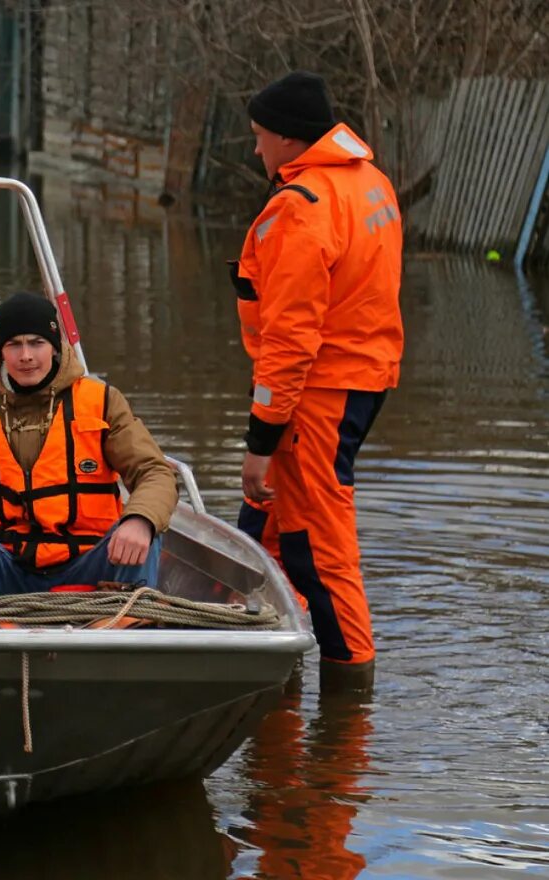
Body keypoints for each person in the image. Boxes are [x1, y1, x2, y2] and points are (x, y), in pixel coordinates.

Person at [230, 71, 403, 687]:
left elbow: (290, 339)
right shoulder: (370, 183)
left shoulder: (302, 209)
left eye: (259, 137)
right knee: (265, 527)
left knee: (318, 548)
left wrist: (261, 441)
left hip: (316, 394)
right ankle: (264, 656)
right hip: (364, 376)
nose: (255, 150)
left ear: (288, 138)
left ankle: (348, 699)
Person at [0, 293, 178, 598]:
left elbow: (156, 473)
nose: (26, 355)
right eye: (14, 344)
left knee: (146, 526)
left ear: (55, 348)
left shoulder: (101, 401)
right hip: (7, 569)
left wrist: (140, 520)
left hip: (88, 564)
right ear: (1, 352)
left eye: (36, 343)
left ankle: (125, 629)